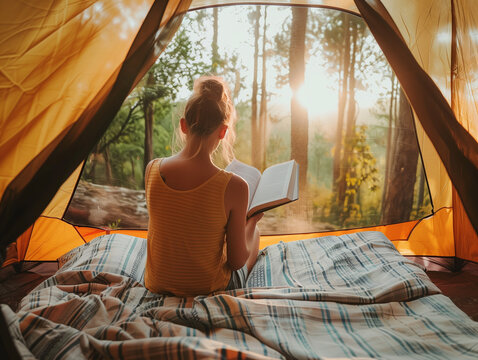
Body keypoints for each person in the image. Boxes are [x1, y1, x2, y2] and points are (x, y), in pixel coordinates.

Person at [144, 75, 263, 297]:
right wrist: (252, 221)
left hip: (156, 283)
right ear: (223, 131)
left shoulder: (152, 169)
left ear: (183, 126)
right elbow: (237, 262)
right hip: (206, 288)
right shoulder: (235, 186)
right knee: (253, 231)